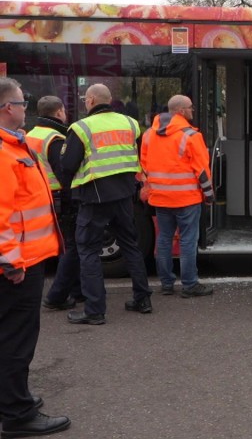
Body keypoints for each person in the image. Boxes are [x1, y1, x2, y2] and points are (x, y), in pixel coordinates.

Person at [0, 78, 72, 437]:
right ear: (6, 108)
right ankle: (17, 414)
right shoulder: (3, 152)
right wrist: (9, 260)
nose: (25, 107)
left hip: (23, 258)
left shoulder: (15, 146)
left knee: (11, 336)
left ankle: (12, 398)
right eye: (20, 101)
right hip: (18, 265)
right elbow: (2, 212)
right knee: (16, 338)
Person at [62, 84, 151, 325]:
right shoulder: (131, 123)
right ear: (109, 100)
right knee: (130, 245)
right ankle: (142, 300)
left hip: (94, 198)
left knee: (88, 251)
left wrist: (67, 193)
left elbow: (68, 166)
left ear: (90, 100)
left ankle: (94, 311)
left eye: (85, 99)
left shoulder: (81, 128)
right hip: (124, 196)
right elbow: (138, 155)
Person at [140, 95, 214, 299]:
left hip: (160, 197)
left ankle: (166, 283)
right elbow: (202, 171)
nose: (193, 111)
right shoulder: (190, 136)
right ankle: (189, 284)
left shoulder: (148, 134)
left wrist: (149, 189)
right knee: (188, 241)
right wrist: (209, 195)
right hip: (187, 199)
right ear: (181, 111)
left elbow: (143, 167)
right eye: (190, 108)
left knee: (163, 239)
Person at [25, 97, 83, 311]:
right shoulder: (55, 138)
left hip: (40, 196)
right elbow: (65, 173)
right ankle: (56, 296)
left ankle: (77, 290)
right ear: (59, 112)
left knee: (66, 245)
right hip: (60, 198)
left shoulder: (31, 135)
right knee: (73, 246)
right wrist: (77, 196)